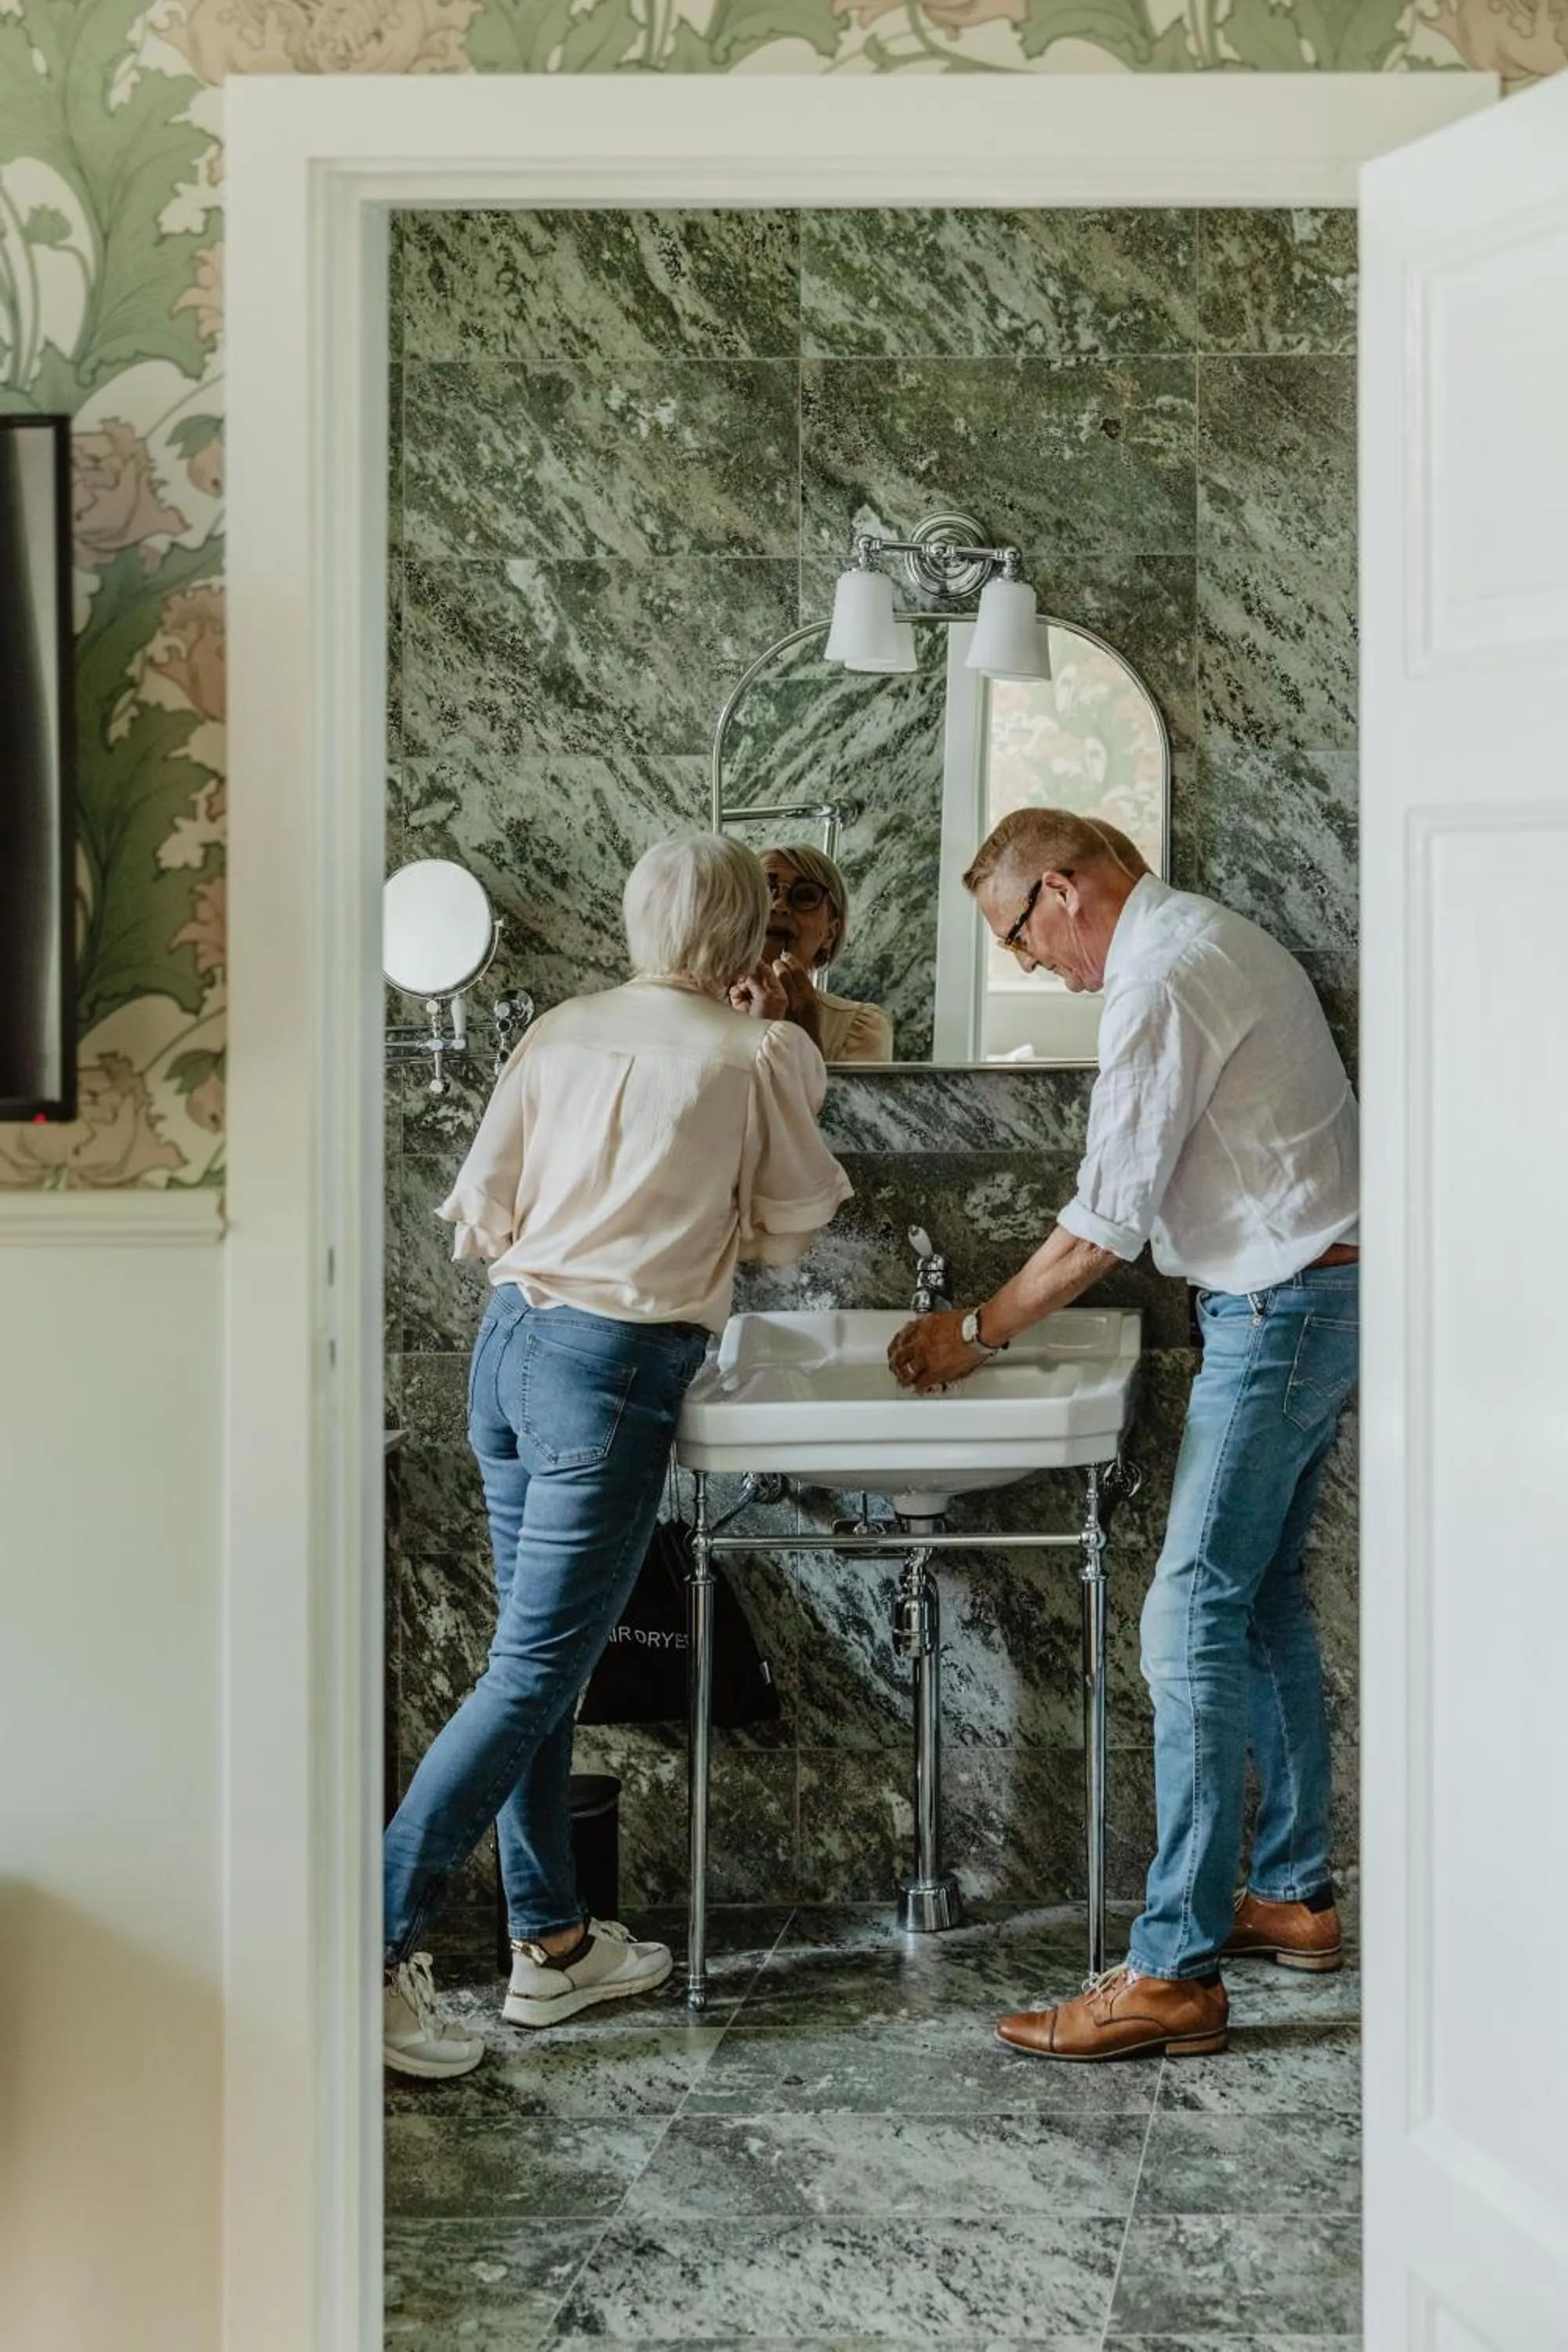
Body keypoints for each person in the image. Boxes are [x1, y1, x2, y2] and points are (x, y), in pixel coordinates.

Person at [887, 808, 1359, 2063]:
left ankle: (1174, 1969)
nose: (1026, 963)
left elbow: (1104, 1224)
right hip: (1318, 1292)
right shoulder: (1208, 940)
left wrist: (975, 1332)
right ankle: (1297, 1894)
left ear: (1064, 887)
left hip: (1280, 1306)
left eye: (1017, 934)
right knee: (1260, 1603)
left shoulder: (1158, 978)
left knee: (1184, 1615)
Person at [383, 833, 851, 2077]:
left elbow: (484, 1211)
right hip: (610, 1371)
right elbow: (788, 1237)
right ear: (752, 936)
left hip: (508, 1345)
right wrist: (779, 1048)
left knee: (530, 1668)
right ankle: (363, 1955)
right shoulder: (755, 1053)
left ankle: (553, 1940)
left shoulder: (564, 1026)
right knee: (533, 1673)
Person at [741, 844, 894, 1065]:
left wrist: (808, 1030)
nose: (779, 906)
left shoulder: (857, 1029)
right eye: (764, 892)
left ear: (831, 933)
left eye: (804, 896)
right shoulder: (700, 1011)